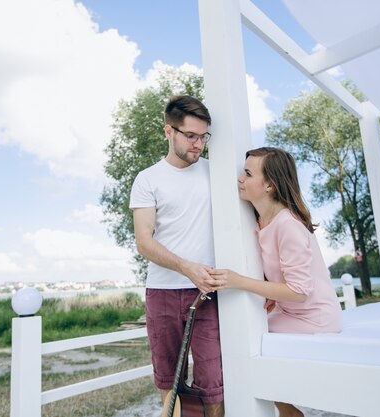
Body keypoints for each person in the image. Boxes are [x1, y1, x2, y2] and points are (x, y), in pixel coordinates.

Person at [209, 146, 342, 417]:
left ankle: (285, 410)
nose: (240, 179)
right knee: (236, 334)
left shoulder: (288, 225)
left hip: (315, 318)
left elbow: (299, 291)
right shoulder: (263, 221)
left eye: (247, 174)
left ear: (269, 184)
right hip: (291, 312)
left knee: (240, 337)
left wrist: (239, 281)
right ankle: (287, 410)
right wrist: (272, 293)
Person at [129, 95, 224, 417]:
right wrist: (186, 267)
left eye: (203, 137)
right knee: (168, 381)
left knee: (214, 386)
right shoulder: (147, 179)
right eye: (191, 136)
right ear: (169, 131)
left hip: (210, 294)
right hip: (162, 292)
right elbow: (144, 242)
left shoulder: (219, 173)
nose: (199, 144)